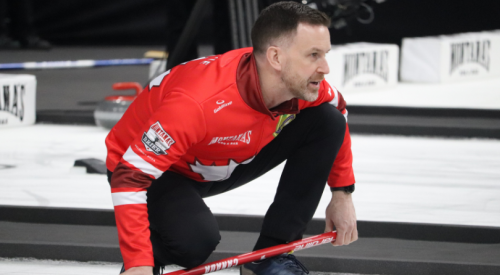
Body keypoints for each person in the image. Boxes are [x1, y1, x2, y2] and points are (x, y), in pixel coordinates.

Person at [106, 2, 358, 275]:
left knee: (328, 120)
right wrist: (138, 262)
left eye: (325, 54)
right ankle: (151, 257)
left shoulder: (306, 84)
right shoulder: (196, 103)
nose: (325, 68)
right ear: (275, 58)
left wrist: (342, 193)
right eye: (313, 55)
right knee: (194, 243)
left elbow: (339, 111)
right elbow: (130, 177)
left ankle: (271, 256)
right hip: (159, 169)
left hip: (223, 158)